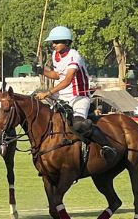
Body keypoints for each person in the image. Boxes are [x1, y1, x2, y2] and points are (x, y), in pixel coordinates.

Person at [30, 25, 116, 161]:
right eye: (52, 42)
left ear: (67, 42)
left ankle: (107, 146)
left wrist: (48, 93)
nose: (53, 45)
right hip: (62, 96)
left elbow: (68, 79)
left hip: (79, 96)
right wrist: (41, 70)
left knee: (78, 124)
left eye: (56, 42)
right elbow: (57, 75)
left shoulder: (74, 56)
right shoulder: (55, 55)